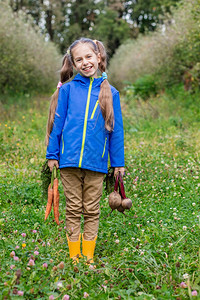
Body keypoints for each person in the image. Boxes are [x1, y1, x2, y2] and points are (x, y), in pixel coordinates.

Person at [45, 37, 125, 264]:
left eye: (89, 57)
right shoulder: (68, 90)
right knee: (73, 208)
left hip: (96, 163)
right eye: (79, 59)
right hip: (68, 162)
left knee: (91, 210)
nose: (85, 62)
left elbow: (116, 132)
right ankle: (74, 257)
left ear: (98, 58)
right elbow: (57, 124)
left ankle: (87, 256)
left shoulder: (111, 93)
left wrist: (117, 163)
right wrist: (52, 154)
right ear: (73, 63)